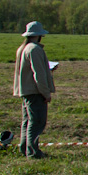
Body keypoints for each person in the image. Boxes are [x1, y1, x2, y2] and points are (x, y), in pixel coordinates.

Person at [12, 21, 55, 159]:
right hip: (35, 91)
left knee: (27, 122)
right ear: (39, 35)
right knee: (36, 122)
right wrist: (46, 93)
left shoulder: (23, 48)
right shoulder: (35, 49)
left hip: (26, 90)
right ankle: (33, 152)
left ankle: (25, 148)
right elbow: (38, 75)